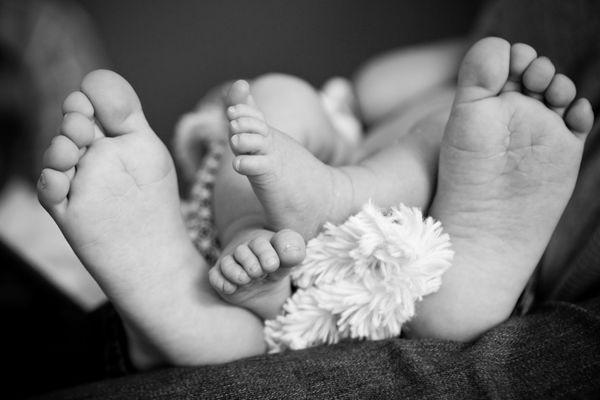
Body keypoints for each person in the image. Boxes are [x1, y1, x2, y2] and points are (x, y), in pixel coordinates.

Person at [36, 34, 593, 369]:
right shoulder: (352, 105)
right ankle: (210, 302)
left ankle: (315, 216)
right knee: (297, 125)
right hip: (319, 262)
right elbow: (449, 67)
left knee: (431, 125)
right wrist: (475, 48)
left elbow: (465, 76)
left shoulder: (473, 118)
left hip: (400, 234)